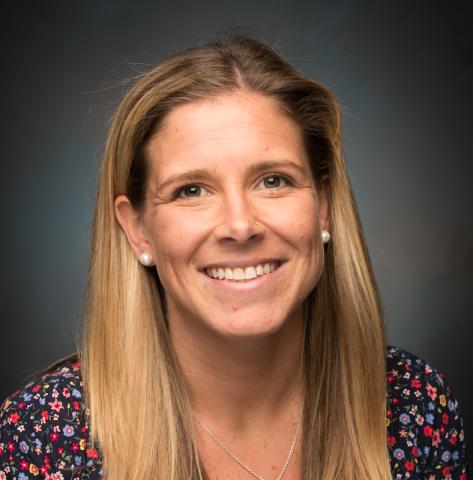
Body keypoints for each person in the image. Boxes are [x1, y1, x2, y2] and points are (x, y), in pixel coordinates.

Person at [0, 34, 468, 480]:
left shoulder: (413, 405)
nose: (240, 226)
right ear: (138, 229)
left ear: (323, 206)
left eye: (273, 180)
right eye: (192, 190)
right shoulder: (40, 434)